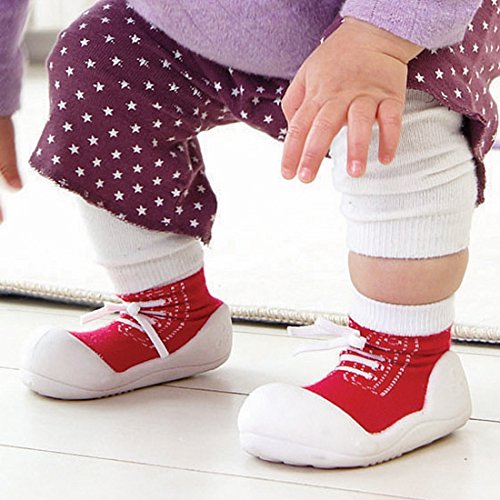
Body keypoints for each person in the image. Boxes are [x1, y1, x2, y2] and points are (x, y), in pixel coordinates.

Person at [1, 0, 498, 468]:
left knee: (392, 106)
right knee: (100, 58)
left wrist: (381, 37)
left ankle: (409, 357)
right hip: (197, 21)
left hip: (395, 22)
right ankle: (167, 311)